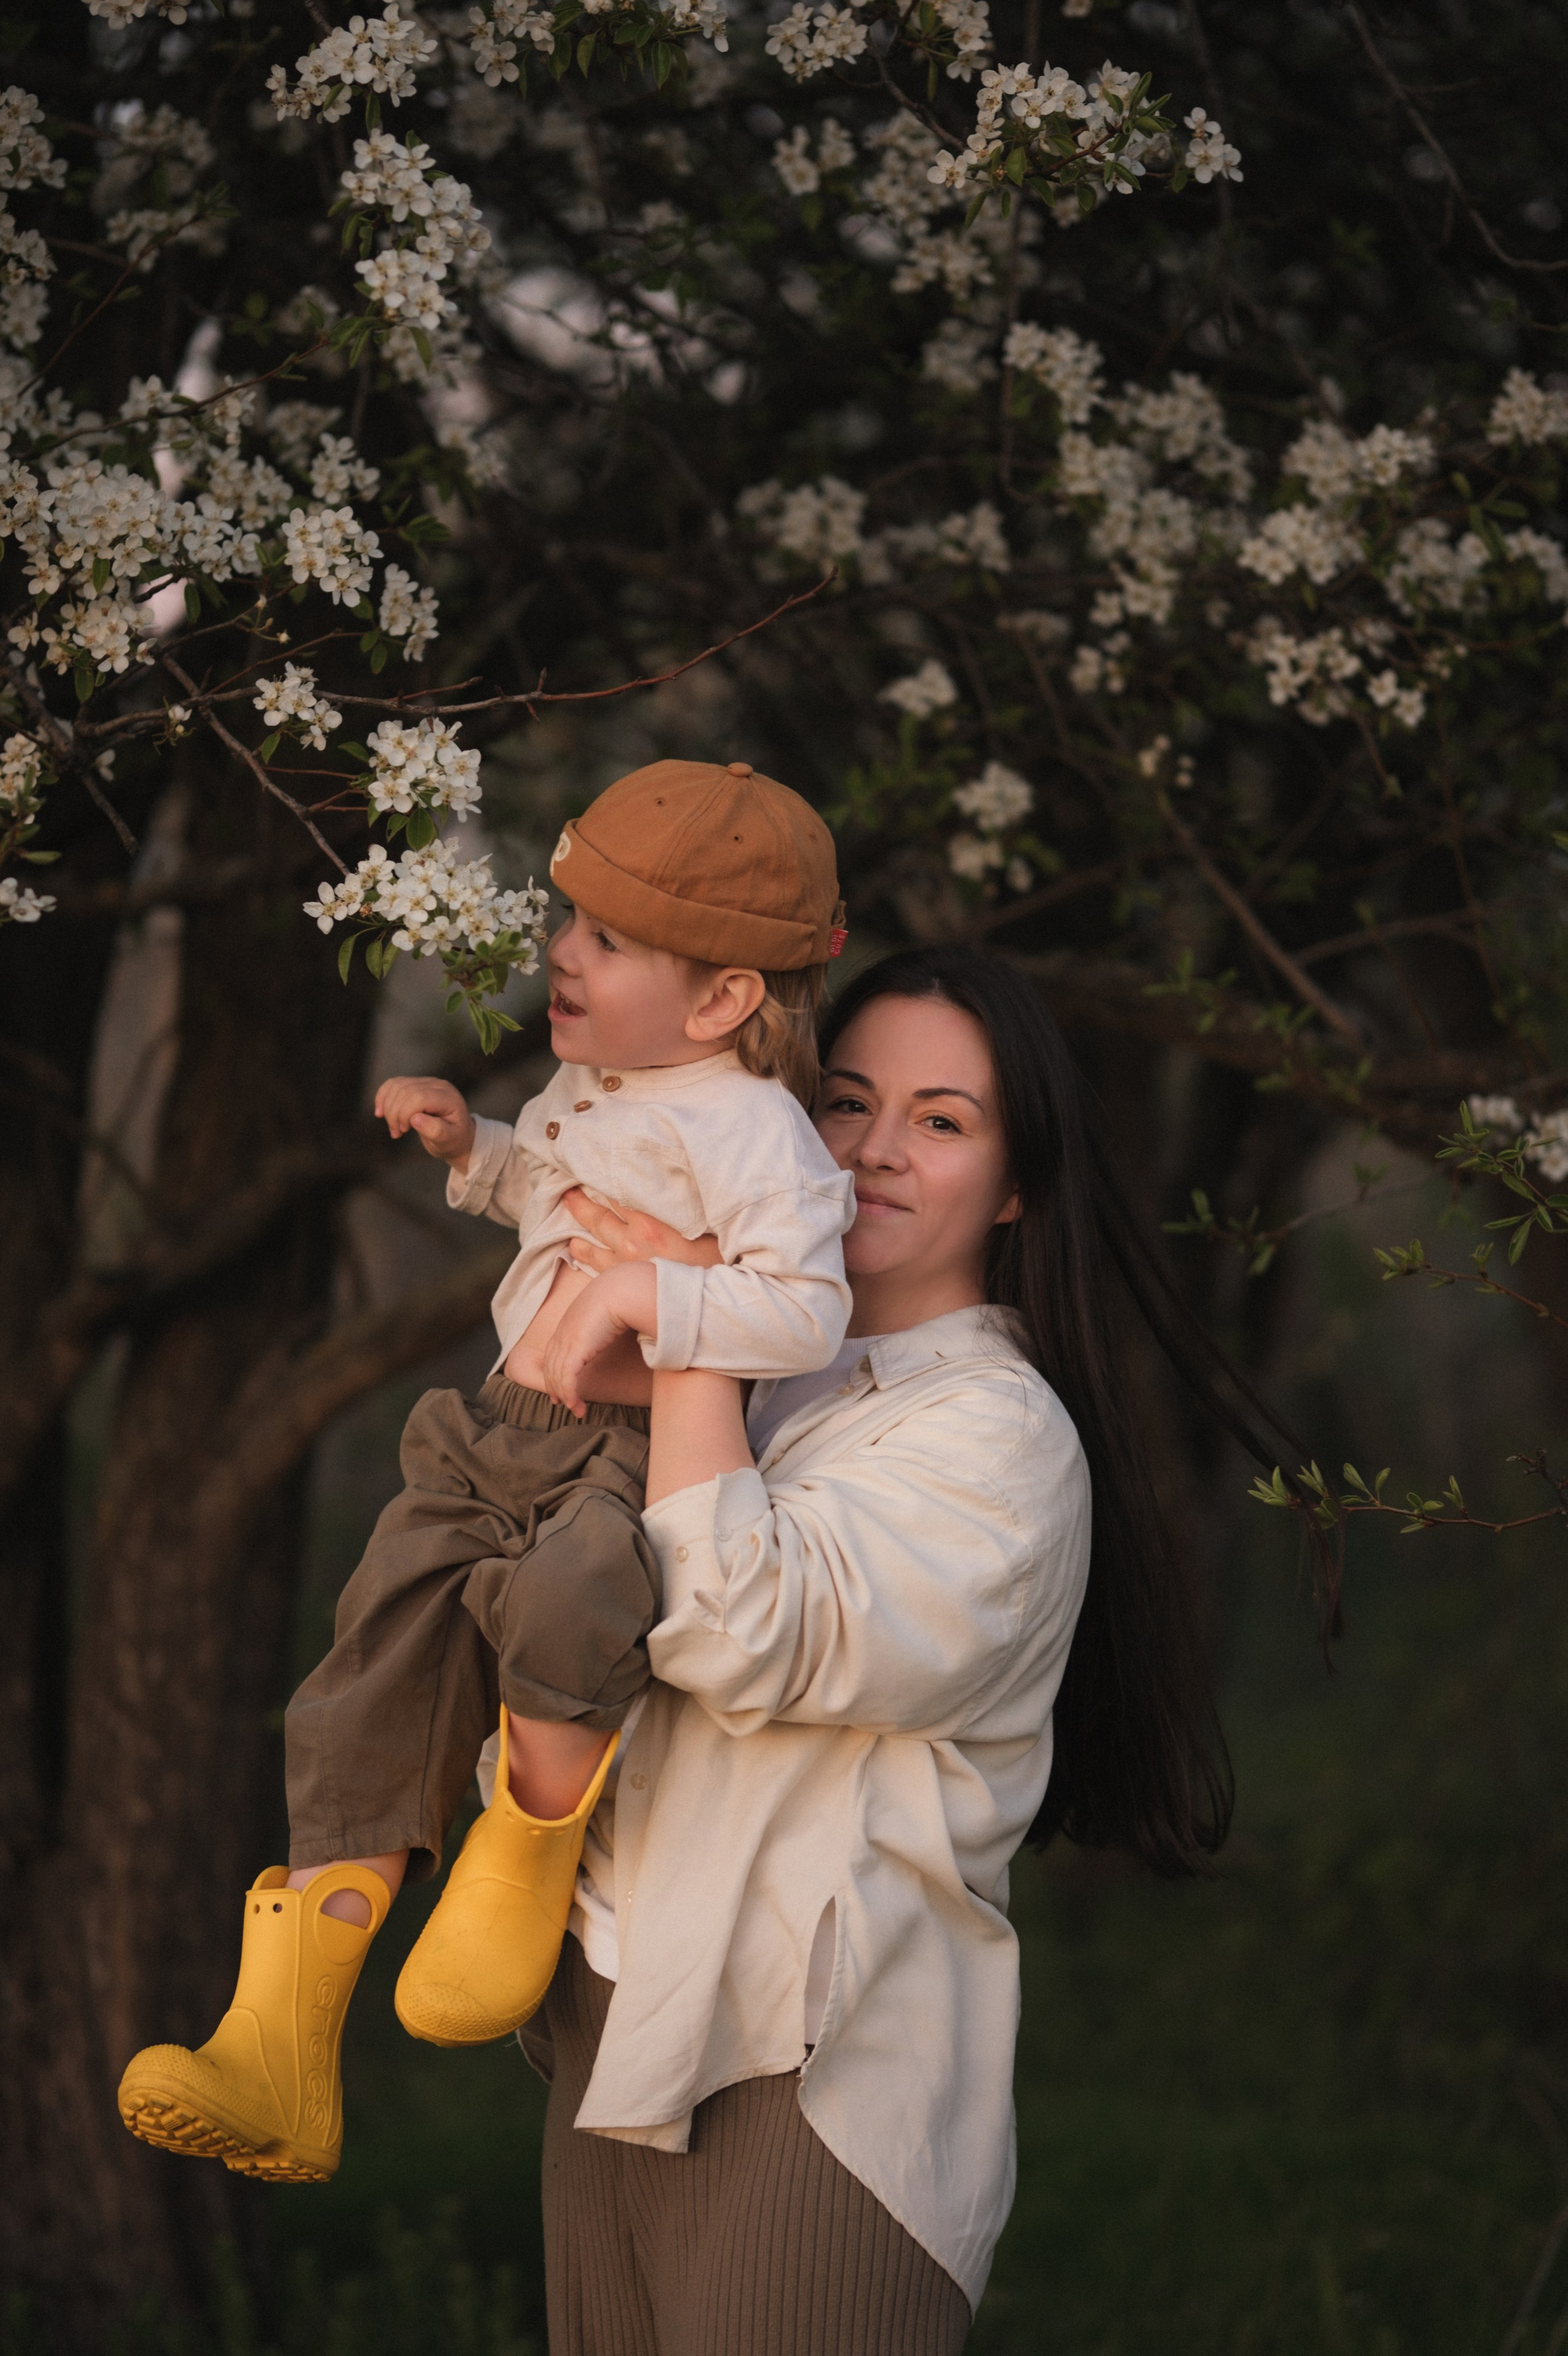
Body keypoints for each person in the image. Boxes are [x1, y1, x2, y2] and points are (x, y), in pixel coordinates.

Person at [523, 943, 1278, 2356]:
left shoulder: (997, 1435)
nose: (871, 1153)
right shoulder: (779, 1387)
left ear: (1012, 1189)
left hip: (817, 2087)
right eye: (843, 1104)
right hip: (616, 2029)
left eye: (939, 1121)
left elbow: (736, 1630)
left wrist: (690, 1319)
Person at [115, 757, 855, 2183]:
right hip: (487, 1431)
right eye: (567, 923)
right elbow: (550, 1191)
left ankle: (516, 1870)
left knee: (573, 1600)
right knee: (364, 1672)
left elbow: (805, 1311)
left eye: (604, 941)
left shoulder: (760, 1139)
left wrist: (653, 1302)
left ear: (720, 1001)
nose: (559, 956)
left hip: (619, 1457)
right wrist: (478, 1147)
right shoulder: (601, 1077)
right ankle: (278, 2051)